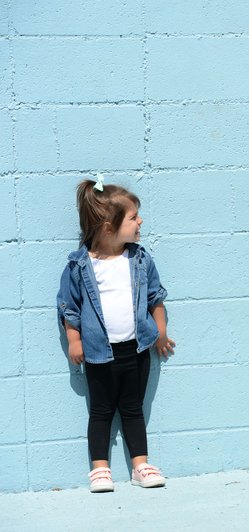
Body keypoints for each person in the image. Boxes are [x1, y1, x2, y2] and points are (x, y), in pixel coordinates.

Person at [57, 177, 176, 492]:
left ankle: (140, 465)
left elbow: (155, 300)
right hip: (99, 352)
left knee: (133, 408)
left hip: (136, 351)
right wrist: (74, 339)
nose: (140, 221)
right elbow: (69, 308)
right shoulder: (80, 266)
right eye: (134, 217)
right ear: (109, 229)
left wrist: (161, 333)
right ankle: (99, 469)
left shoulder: (139, 259)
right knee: (100, 411)